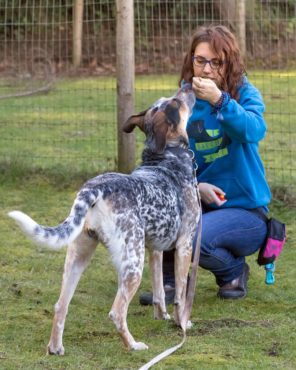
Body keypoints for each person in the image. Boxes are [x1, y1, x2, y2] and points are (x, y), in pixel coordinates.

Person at [140, 25, 271, 303]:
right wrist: (196, 186)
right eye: (200, 60)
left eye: (216, 62)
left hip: (247, 211)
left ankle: (234, 271)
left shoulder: (243, 93)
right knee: (164, 212)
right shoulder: (183, 101)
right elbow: (166, 158)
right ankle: (171, 283)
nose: (207, 69)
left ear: (229, 63)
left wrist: (220, 100)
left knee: (194, 234)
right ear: (191, 60)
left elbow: (254, 130)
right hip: (200, 202)